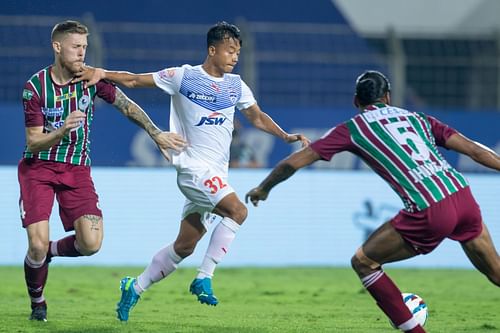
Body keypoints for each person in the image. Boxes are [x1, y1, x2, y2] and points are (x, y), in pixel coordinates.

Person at [73, 21, 310, 321]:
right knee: (238, 211)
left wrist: (286, 136)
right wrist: (103, 73)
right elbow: (133, 81)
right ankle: (204, 277)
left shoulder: (237, 86)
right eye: (230, 50)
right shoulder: (182, 76)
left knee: (184, 245)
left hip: (215, 175)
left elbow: (258, 117)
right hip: (192, 168)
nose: (235, 57)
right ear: (213, 50)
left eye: (238, 51)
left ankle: (135, 286)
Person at [245, 70, 500, 333]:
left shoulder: (352, 129)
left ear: (356, 101)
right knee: (496, 272)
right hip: (463, 196)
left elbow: (293, 162)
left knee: (364, 263)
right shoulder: (418, 119)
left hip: (430, 207)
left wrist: (264, 188)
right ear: (387, 97)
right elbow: (474, 149)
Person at [19, 20, 186, 322]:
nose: (82, 53)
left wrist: (155, 132)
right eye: (76, 47)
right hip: (39, 169)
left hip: (77, 170)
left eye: (85, 47)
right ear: (57, 47)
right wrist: (61, 130)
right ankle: (38, 302)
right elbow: (32, 143)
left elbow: (126, 105)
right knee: (35, 244)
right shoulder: (35, 88)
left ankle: (50, 254)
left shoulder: (90, 80)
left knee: (91, 244)